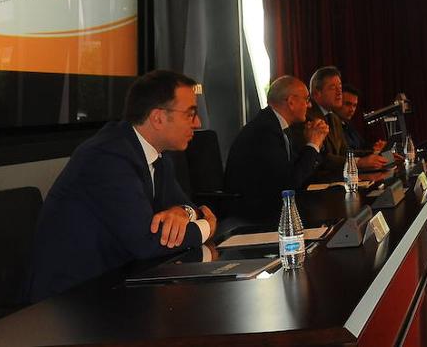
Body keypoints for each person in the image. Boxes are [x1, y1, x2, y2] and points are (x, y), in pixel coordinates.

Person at [27, 70, 218, 302]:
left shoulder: (158, 156)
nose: (198, 123)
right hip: (70, 302)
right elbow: (146, 243)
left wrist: (183, 212)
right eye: (190, 114)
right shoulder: (107, 156)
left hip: (117, 285)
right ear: (158, 118)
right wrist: (206, 226)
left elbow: (189, 207)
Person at [223, 75, 330, 219]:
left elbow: (300, 173)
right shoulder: (264, 131)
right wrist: (313, 144)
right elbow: (290, 182)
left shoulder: (277, 125)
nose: (309, 105)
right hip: (255, 214)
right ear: (291, 102)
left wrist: (315, 143)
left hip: (273, 205)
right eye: (306, 100)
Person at [303, 67, 387, 177]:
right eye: (333, 88)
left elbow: (346, 152)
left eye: (340, 87)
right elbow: (323, 158)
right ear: (316, 93)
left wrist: (378, 155)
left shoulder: (334, 118)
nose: (339, 93)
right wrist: (359, 162)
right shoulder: (308, 118)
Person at [338, 84, 386, 155]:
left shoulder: (349, 124)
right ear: (337, 102)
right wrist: (373, 152)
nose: (352, 109)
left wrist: (375, 147)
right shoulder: (333, 126)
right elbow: (347, 153)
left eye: (354, 105)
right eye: (348, 104)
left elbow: (362, 146)